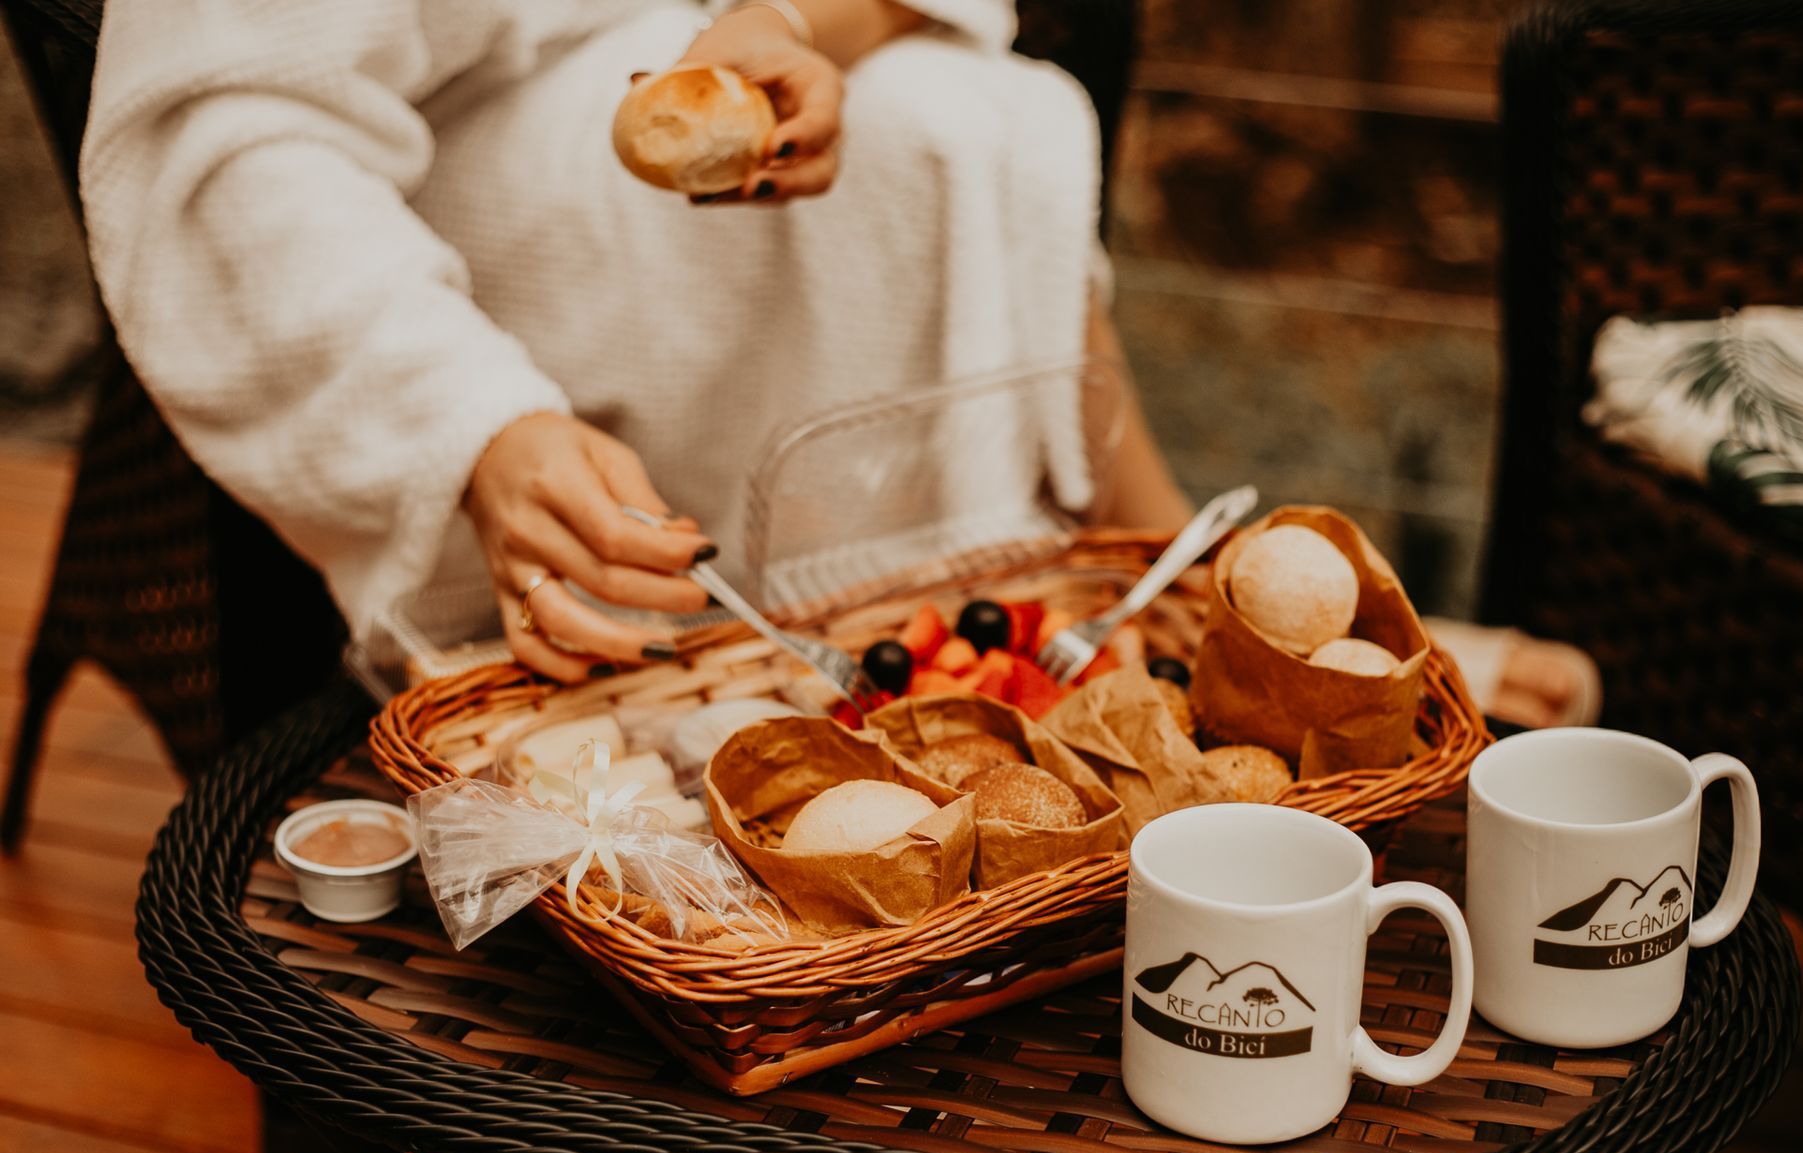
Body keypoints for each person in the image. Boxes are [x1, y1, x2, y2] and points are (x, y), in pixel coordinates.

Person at [80, 0, 1589, 724]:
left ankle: (1107, 590)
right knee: (943, 136)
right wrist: (470, 424)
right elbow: (234, 121)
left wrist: (801, 21)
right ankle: (1089, 608)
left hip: (717, 96)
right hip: (443, 218)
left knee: (963, 119)